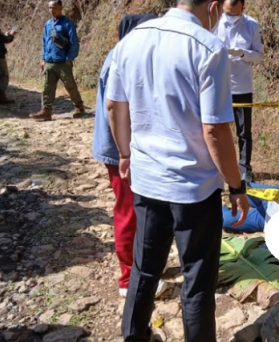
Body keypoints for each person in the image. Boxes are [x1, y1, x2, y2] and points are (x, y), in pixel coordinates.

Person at [105, 1, 250, 341]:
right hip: (194, 189)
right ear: (213, 7)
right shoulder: (208, 47)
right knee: (197, 282)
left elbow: (114, 106)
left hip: (148, 181)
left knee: (144, 269)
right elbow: (215, 130)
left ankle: (134, 336)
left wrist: (125, 153)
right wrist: (236, 186)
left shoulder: (131, 40)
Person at [92, 14, 168, 299]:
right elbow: (115, 109)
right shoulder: (121, 59)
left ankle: (143, 266)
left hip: (127, 149)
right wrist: (126, 153)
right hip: (121, 152)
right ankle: (128, 278)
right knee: (128, 212)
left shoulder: (124, 54)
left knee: (140, 210)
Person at [214, 0, 264, 182]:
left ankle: (244, 167)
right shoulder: (215, 24)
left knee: (244, 131)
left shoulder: (251, 25)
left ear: (243, 7)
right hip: (219, 86)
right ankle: (218, 166)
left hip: (242, 87)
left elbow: (260, 56)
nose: (231, 17)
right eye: (227, 13)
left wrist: (243, 53)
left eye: (234, 13)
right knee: (217, 128)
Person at [30, 0, 85, 121]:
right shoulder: (48, 24)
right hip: (49, 61)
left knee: (70, 86)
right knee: (47, 87)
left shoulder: (67, 23)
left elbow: (74, 42)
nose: (51, 10)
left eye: (54, 7)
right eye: (49, 8)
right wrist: (43, 59)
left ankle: (79, 107)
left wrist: (70, 58)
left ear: (60, 8)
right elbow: (45, 42)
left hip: (63, 62)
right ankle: (46, 111)